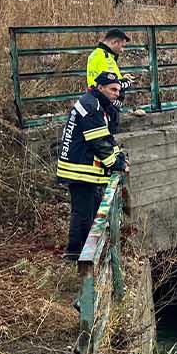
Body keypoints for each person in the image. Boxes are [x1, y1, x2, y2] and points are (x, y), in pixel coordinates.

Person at [58, 71, 129, 261]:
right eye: (112, 89)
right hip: (80, 168)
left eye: (118, 90)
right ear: (100, 88)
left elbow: (106, 137)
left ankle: (85, 252)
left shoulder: (95, 104)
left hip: (82, 165)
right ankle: (75, 254)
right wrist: (115, 164)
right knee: (83, 212)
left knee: (90, 210)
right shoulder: (91, 106)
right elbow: (98, 141)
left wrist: (119, 158)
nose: (116, 94)